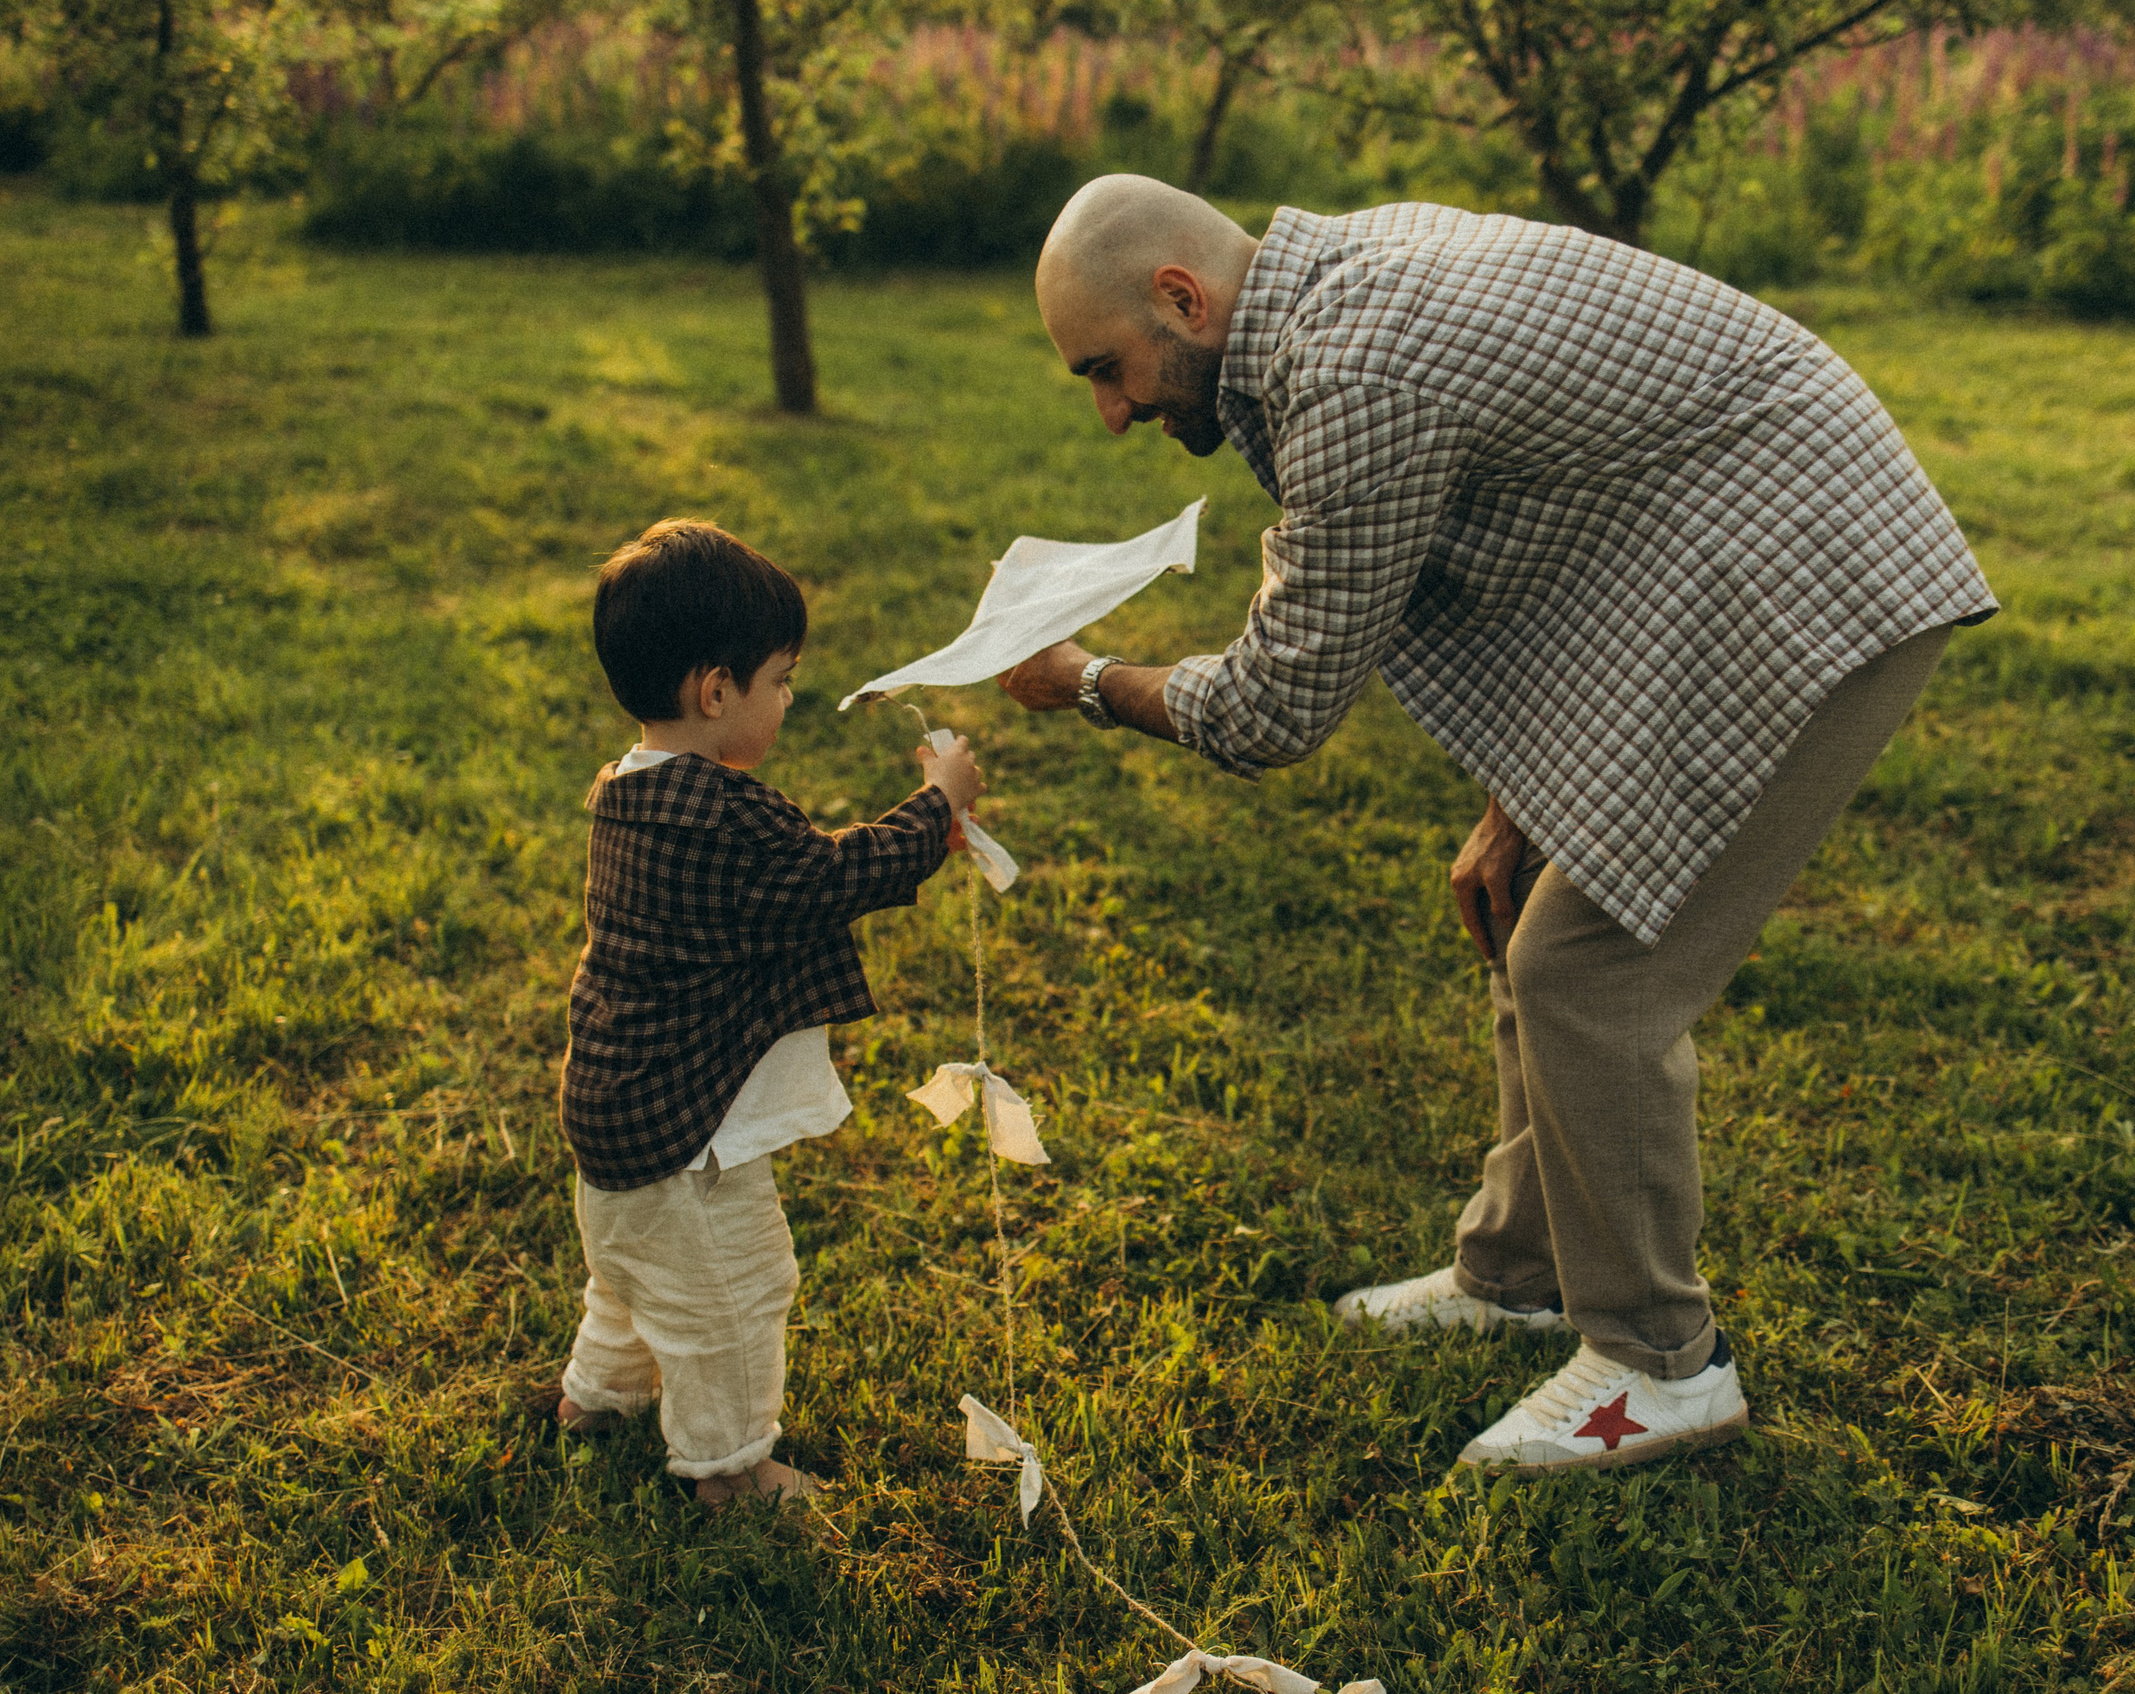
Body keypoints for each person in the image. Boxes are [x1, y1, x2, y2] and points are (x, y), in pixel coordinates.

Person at [1000, 176, 1997, 1474]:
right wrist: (1515, 801)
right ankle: (1518, 1267)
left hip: (1817, 575)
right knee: (1536, 915)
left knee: (1585, 972)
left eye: (1111, 369)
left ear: (1182, 299)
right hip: (1713, 552)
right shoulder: (1337, 283)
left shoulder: (1354, 368)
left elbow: (1275, 703)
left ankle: (1658, 1362)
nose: (1114, 411)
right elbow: (1537, 561)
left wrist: (1083, 678)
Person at [553, 519, 983, 1505]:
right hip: (685, 1136)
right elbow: (831, 876)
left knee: (626, 1278)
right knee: (734, 1299)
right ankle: (729, 1469)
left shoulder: (627, 789)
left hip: (613, 1120)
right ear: (715, 692)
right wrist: (936, 807)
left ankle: (595, 1398)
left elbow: (781, 885)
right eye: (781, 680)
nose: (787, 699)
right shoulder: (724, 819)